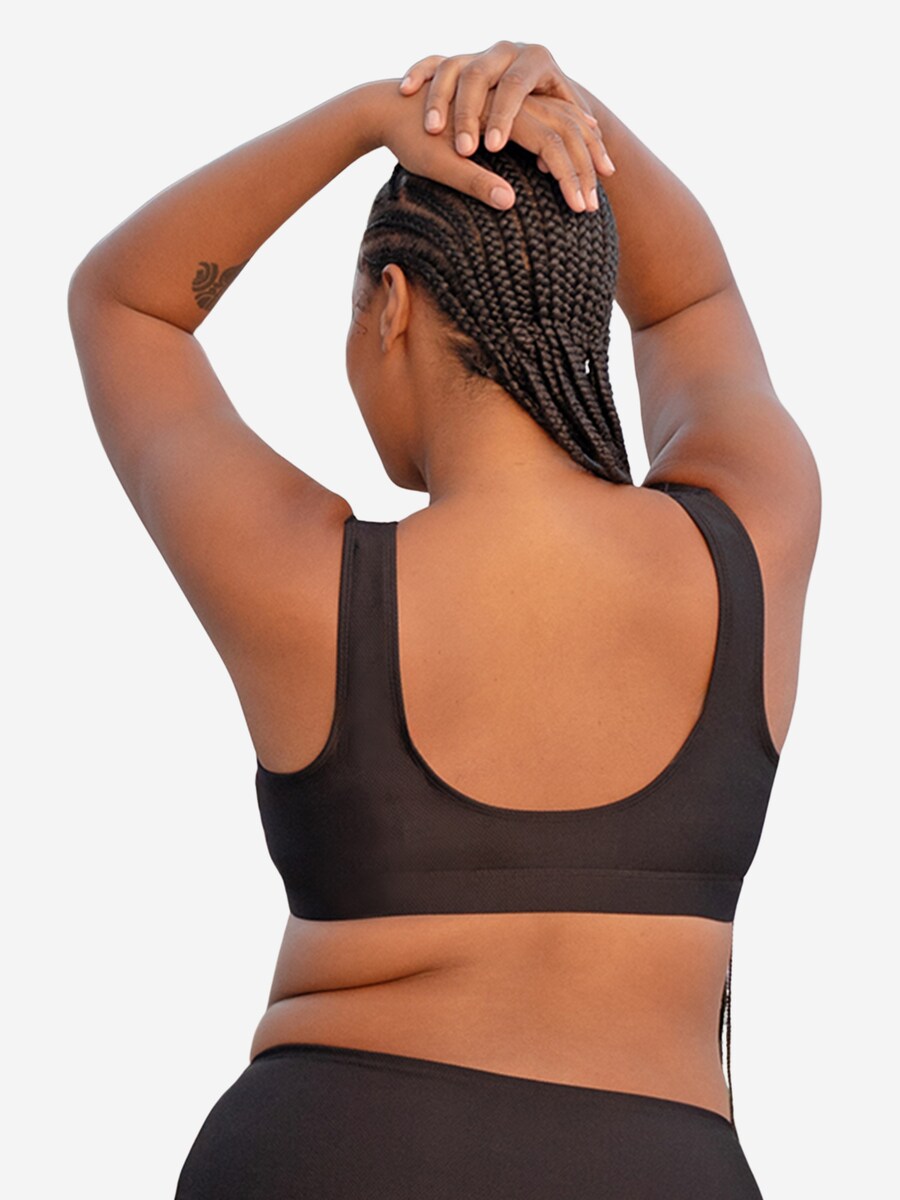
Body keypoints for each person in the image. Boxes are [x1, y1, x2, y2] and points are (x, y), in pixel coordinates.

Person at [67, 41, 820, 1200]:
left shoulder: (310, 583)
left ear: (392, 308)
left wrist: (369, 116)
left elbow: (126, 303)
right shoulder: (748, 543)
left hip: (331, 1151)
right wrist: (565, 121)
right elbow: (691, 298)